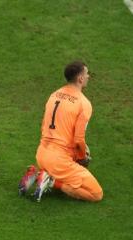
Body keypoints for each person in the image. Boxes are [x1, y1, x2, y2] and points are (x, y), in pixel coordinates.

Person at [19, 60, 103, 202]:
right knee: (96, 194)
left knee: (65, 160)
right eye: (87, 74)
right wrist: (82, 157)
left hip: (41, 154)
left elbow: (43, 126)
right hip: (59, 161)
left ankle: (39, 172)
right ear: (80, 78)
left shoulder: (54, 95)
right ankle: (50, 180)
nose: (88, 77)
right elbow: (78, 139)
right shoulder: (84, 103)